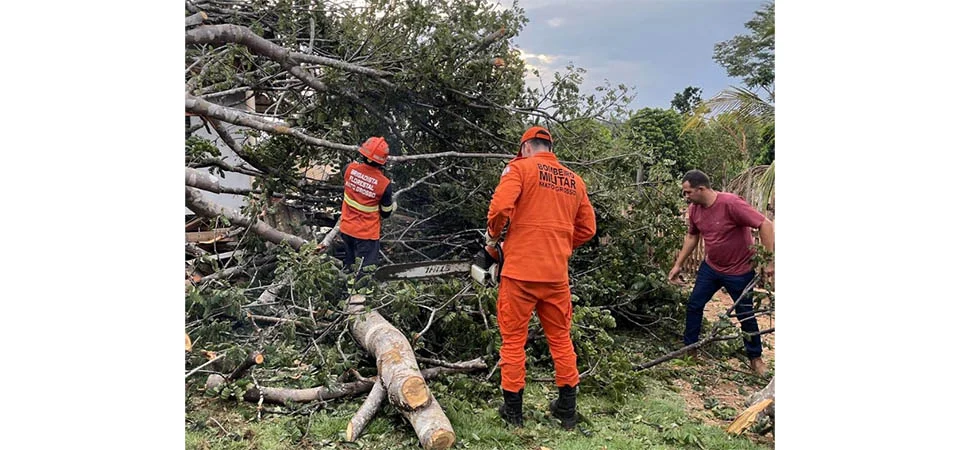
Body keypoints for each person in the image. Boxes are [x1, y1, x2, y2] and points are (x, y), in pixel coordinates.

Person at [474, 126, 596, 429]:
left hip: (519, 274)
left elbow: (501, 207)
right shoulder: (574, 180)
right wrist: (559, 245)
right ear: (549, 147)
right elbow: (588, 229)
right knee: (560, 339)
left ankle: (513, 413)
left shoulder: (519, 169)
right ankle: (567, 410)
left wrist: (492, 241)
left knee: (514, 341)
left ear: (526, 147)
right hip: (556, 275)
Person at [667, 169, 774, 375]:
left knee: (745, 315)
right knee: (694, 305)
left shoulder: (730, 203)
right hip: (711, 267)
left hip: (739, 271)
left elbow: (765, 224)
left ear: (701, 189)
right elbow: (692, 237)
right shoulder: (695, 210)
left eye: (688, 192)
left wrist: (769, 262)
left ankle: (756, 359)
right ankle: (690, 350)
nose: (685, 196)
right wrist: (678, 264)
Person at [338, 136, 395, 271]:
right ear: (382, 161)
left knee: (351, 266)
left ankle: (347, 290)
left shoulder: (348, 169)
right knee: (364, 272)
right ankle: (362, 292)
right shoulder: (384, 184)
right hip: (366, 235)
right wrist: (393, 207)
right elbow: (386, 213)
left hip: (346, 229)